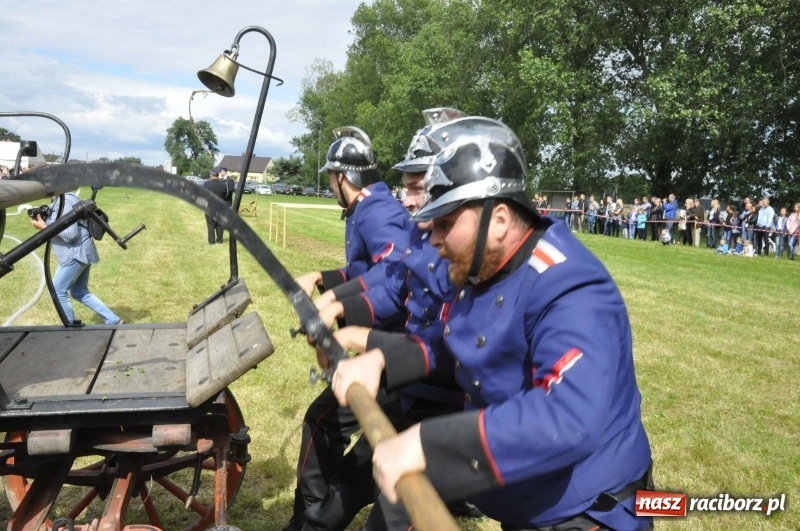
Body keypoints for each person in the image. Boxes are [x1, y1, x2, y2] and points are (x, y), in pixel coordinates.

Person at [331, 118, 653, 530]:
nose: (432, 239)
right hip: (526, 497)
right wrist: (382, 361)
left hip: (590, 512)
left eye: (446, 223)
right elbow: (455, 337)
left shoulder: (572, 286)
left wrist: (427, 442)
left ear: (498, 220)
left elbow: (567, 418)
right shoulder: (486, 266)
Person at [284, 126, 411, 531]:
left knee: (326, 424)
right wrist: (321, 277)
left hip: (397, 349)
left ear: (342, 178)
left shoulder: (378, 211)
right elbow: (364, 271)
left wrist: (339, 307)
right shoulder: (365, 208)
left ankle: (310, 520)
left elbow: (395, 274)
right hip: (383, 344)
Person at [30, 192, 122, 325]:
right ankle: (113, 320)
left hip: (75, 254)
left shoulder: (66, 200)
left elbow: (70, 234)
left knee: (57, 291)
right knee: (79, 292)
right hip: (81, 252)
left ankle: (71, 327)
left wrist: (44, 227)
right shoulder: (60, 199)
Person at [203, 169, 230, 244]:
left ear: (211, 175)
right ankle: (219, 240)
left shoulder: (207, 184)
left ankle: (211, 241)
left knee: (210, 225)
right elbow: (226, 195)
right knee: (220, 225)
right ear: (218, 175)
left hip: (210, 207)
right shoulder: (224, 184)